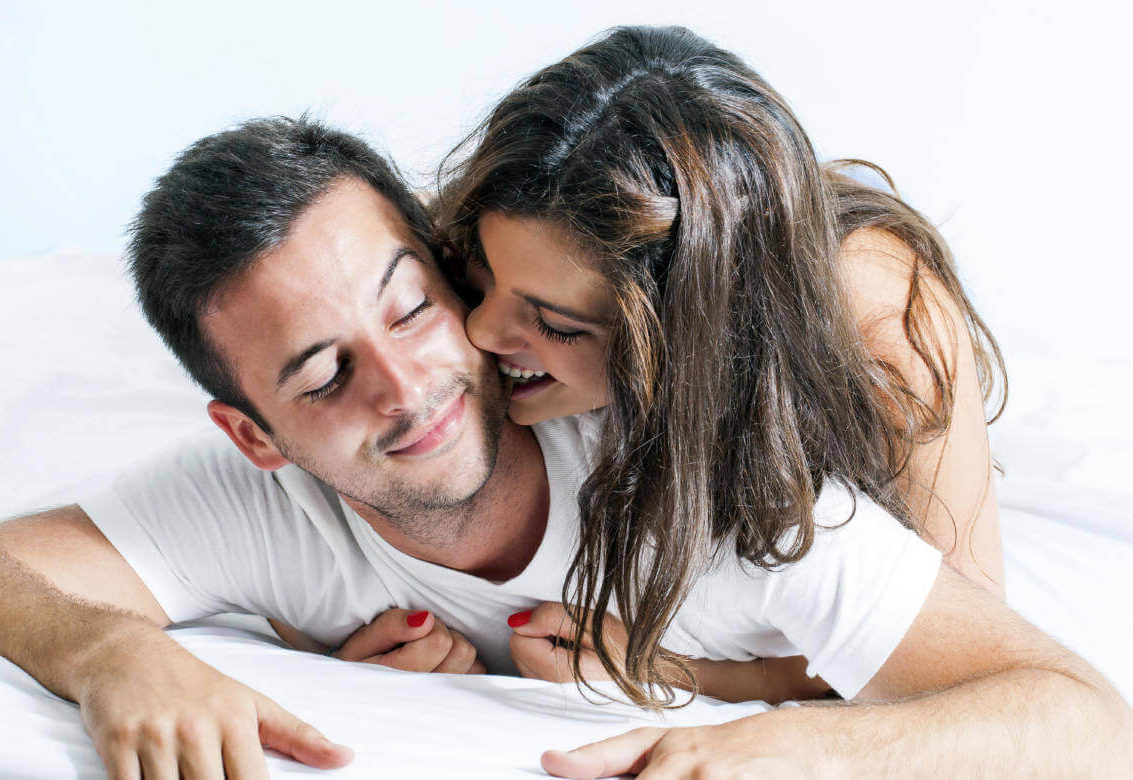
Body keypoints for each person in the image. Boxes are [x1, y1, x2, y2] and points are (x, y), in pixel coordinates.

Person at [0, 117, 1129, 779]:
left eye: (409, 310)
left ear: (452, 281)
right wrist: (107, 648)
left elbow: (1069, 718)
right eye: (323, 374)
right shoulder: (242, 504)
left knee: (864, 281)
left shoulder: (711, 485)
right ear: (252, 435)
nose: (408, 390)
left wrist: (763, 725)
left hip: (853, 338)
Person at [433, 24, 1011, 720]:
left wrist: (679, 672)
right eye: (480, 273)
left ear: (690, 334)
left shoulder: (882, 314)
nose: (480, 330)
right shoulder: (498, 226)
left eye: (556, 323)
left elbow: (974, 674)